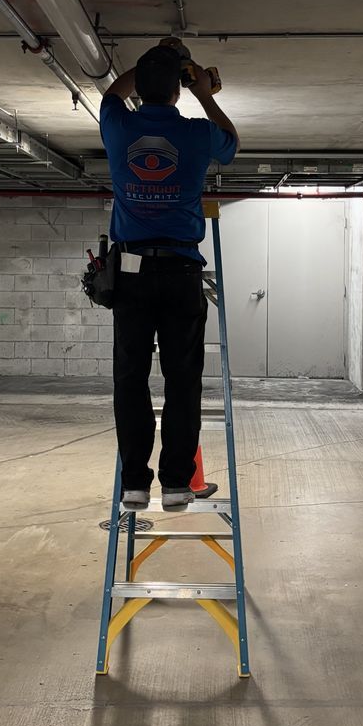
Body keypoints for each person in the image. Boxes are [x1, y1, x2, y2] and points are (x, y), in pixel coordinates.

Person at [100, 43, 239, 511]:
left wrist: (141, 69)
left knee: (130, 378)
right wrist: (202, 92)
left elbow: (111, 96)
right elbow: (231, 142)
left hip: (133, 275)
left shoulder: (120, 127)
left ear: (140, 88)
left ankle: (136, 483)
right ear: (178, 91)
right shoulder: (198, 134)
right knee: (183, 380)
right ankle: (177, 483)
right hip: (181, 273)